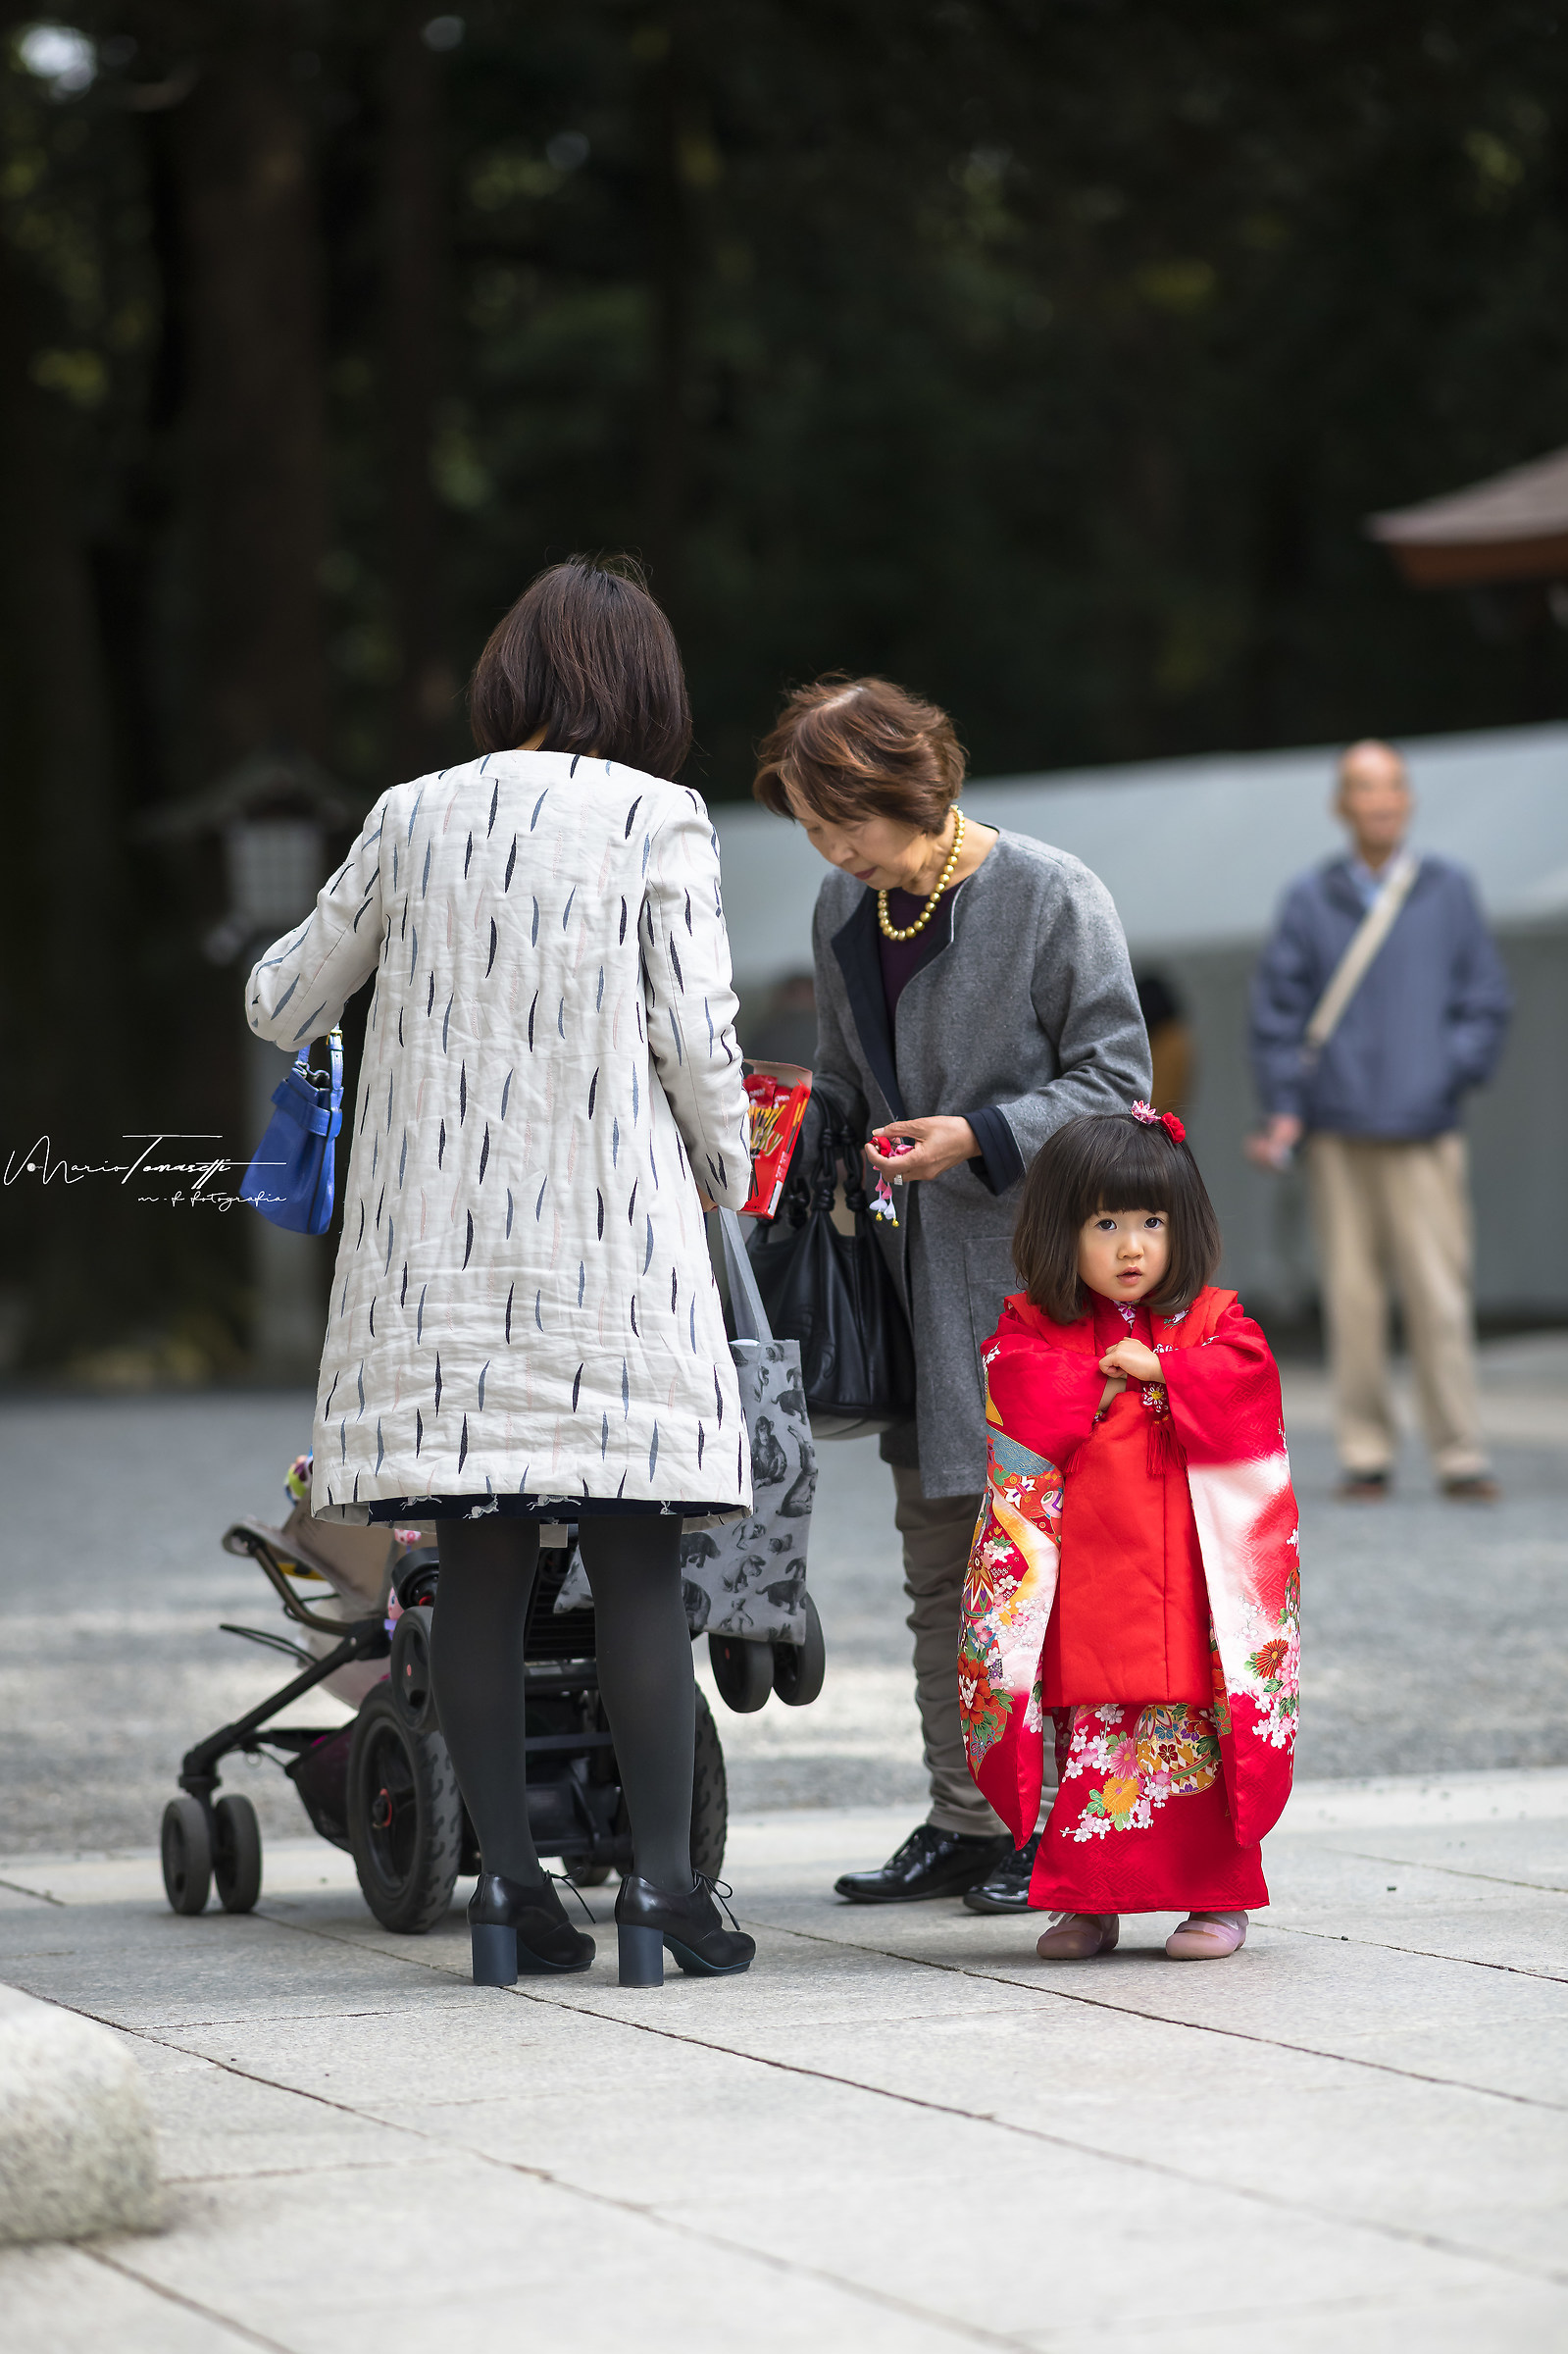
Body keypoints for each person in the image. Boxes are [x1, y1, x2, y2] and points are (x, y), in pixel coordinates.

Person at [246, 555, 757, 1990]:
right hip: (616, 1254)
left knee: (470, 1561)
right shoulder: (660, 818)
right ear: (642, 687)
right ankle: (663, 1900)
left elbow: (278, 995)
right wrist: (734, 1172)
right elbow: (696, 1039)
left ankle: (509, 1902)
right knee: (636, 1566)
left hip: (441, 1271)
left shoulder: (411, 815)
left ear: (512, 674)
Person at [752, 677, 1150, 1912]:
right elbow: (842, 1082)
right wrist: (790, 1117)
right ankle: (967, 1817)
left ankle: (1058, 1823)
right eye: (815, 830)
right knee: (941, 1570)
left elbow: (1120, 1084)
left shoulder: (1049, 892)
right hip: (911, 1285)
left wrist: (978, 1134)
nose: (829, 851)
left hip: (1033, 1290)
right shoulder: (842, 902)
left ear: (911, 790)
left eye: (844, 822)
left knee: (1043, 1564)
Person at [959, 1104, 1300, 1962]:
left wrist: (1163, 1372)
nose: (1130, 1247)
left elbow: (1248, 1385)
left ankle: (1217, 1899)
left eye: (1151, 1222)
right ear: (1058, 1230)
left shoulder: (1216, 1322)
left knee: (1194, 1732)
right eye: (1104, 1223)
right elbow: (1021, 1395)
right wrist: (1107, 1388)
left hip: (1188, 1586)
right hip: (1090, 1582)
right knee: (1092, 1735)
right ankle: (1087, 1902)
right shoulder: (1031, 1327)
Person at [1247, 739, 1511, 1502]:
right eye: (1364, 788)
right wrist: (1286, 1108)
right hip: (1335, 1127)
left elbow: (1485, 1002)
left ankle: (1458, 1451)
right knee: (1352, 1296)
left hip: (1424, 1127)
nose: (1381, 801)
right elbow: (1276, 1017)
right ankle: (1366, 1450)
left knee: (1438, 1293)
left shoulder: (1447, 890)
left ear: (1408, 799)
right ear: (1341, 805)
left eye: (1392, 786)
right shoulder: (1309, 898)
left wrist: (1444, 1072)